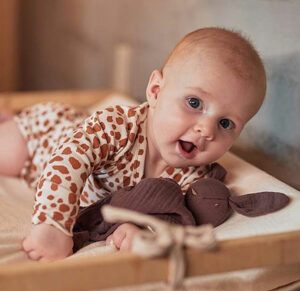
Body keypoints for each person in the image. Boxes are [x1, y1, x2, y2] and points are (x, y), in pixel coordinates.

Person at [0, 27, 266, 261]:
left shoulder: (196, 175)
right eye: (194, 103)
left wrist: (139, 230)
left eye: (225, 123)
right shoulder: (117, 126)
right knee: (8, 154)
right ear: (155, 92)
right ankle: (9, 123)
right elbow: (68, 161)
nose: (206, 130)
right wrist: (53, 225)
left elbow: (174, 216)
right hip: (42, 138)